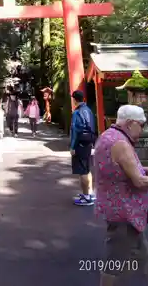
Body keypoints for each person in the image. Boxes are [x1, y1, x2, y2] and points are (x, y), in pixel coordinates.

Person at [94, 104, 148, 285]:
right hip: (125, 213)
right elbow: (139, 180)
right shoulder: (121, 144)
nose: (143, 129)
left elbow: (131, 169)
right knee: (114, 264)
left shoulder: (108, 136)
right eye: (142, 124)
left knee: (141, 253)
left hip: (120, 210)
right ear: (131, 123)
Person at [70, 89, 96, 206]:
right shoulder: (88, 110)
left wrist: (72, 146)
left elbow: (75, 131)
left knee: (82, 170)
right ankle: (89, 193)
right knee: (87, 168)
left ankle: (86, 197)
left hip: (80, 142)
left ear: (74, 99)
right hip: (89, 141)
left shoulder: (77, 112)